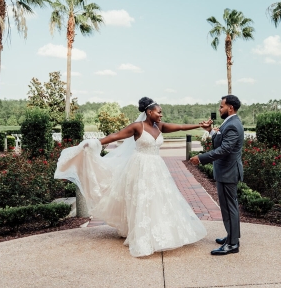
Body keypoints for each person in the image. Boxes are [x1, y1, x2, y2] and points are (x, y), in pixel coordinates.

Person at [55, 97, 211, 257]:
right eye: (159, 112)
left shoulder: (160, 126)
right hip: (140, 166)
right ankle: (141, 234)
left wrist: (199, 125)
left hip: (157, 167)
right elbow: (116, 136)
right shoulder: (138, 126)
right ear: (149, 112)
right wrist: (95, 143)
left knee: (159, 198)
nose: (161, 115)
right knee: (142, 198)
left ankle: (159, 230)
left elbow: (180, 127)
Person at [190, 95, 244, 255]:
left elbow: (224, 149)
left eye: (222, 107)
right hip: (225, 172)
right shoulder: (230, 122)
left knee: (230, 207)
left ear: (230, 108)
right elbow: (221, 140)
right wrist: (210, 131)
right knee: (227, 208)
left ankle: (233, 244)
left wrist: (201, 158)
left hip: (229, 172)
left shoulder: (233, 125)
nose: (219, 109)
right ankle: (231, 236)